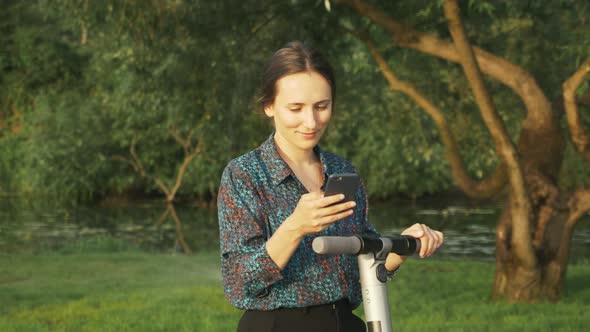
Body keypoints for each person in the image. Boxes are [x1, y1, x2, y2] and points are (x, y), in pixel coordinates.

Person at [217, 41, 444, 332]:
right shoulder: (243, 175)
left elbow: (360, 270)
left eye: (322, 106)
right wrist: (295, 227)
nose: (311, 121)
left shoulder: (342, 171)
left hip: (344, 323)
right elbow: (240, 283)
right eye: (296, 108)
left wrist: (404, 245)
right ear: (269, 106)